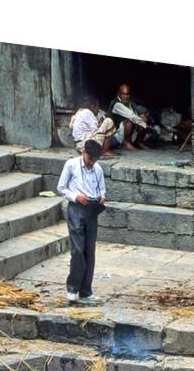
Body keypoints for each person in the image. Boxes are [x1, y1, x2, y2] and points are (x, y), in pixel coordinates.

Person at [57, 139, 106, 303]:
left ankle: (86, 290)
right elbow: (61, 188)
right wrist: (76, 196)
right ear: (84, 153)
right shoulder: (71, 165)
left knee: (89, 250)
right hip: (76, 208)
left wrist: (101, 197)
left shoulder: (97, 168)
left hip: (92, 209)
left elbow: (102, 189)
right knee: (78, 250)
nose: (92, 163)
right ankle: (72, 288)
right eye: (90, 159)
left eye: (94, 160)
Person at [108, 84, 159, 150]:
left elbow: (139, 114)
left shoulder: (130, 103)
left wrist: (143, 119)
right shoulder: (116, 104)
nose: (126, 96)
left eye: (127, 94)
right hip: (117, 134)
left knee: (143, 116)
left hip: (131, 132)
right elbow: (131, 116)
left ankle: (139, 141)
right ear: (119, 94)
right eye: (123, 94)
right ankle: (126, 143)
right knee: (129, 121)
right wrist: (145, 126)